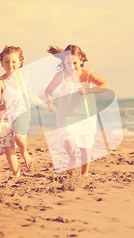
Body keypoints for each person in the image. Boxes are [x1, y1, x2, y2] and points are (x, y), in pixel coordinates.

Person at [45, 45, 110, 176]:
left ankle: (84, 172)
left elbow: (105, 86)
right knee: (68, 140)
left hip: (86, 115)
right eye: (68, 63)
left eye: (74, 63)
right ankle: (72, 160)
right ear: (64, 62)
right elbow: (48, 90)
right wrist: (50, 102)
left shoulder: (87, 74)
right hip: (66, 114)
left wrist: (88, 90)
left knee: (85, 146)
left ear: (81, 59)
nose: (72, 66)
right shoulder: (61, 75)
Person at [0, 45, 49, 177]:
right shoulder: (0, 82)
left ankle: (24, 152)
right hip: (5, 117)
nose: (10, 64)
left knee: (18, 136)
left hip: (22, 113)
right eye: (7, 62)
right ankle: (16, 173)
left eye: (14, 62)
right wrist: (6, 105)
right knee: (9, 146)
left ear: (20, 63)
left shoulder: (25, 77)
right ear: (2, 63)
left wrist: (45, 105)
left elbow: (30, 95)